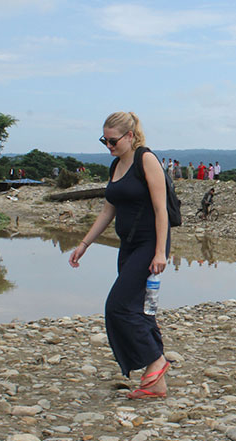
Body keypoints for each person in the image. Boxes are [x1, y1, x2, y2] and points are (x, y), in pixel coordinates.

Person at [68, 111, 171, 400]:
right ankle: (156, 384)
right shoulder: (116, 164)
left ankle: (157, 362)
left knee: (117, 306)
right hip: (126, 244)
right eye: (104, 140)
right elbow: (108, 209)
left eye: (113, 140)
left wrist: (160, 251)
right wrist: (85, 244)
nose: (109, 146)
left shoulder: (146, 159)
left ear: (129, 136)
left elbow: (161, 209)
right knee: (141, 309)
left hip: (149, 244)